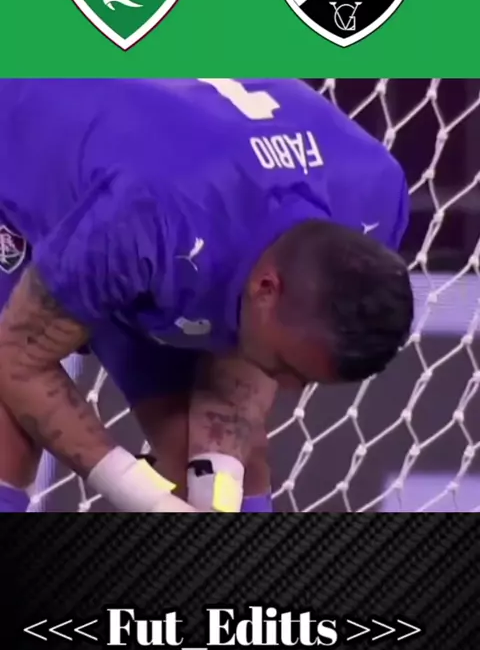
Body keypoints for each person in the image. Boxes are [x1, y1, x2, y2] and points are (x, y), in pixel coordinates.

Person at [0, 78, 413, 514]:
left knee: (215, 470)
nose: (289, 390)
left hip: (150, 208)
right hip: (24, 161)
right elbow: (16, 357)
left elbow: (247, 364)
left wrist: (218, 472)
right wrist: (143, 496)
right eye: (289, 368)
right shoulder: (151, 217)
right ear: (266, 288)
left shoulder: (374, 203)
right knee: (9, 430)